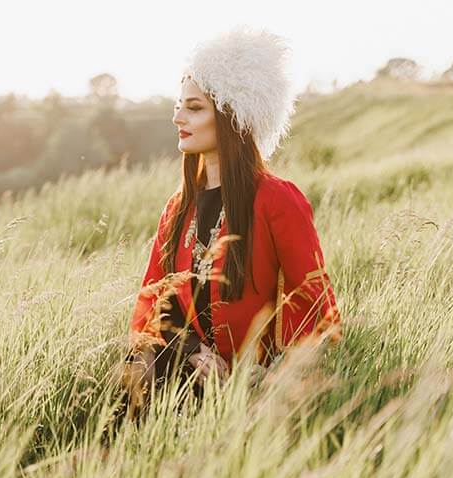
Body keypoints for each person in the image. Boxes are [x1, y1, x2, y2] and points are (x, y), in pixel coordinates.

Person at [120, 25, 342, 420]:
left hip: (254, 389)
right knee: (137, 370)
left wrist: (265, 376)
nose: (177, 117)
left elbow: (313, 302)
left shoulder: (277, 199)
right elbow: (153, 301)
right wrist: (191, 350)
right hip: (179, 373)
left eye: (194, 107)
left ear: (231, 114)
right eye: (178, 104)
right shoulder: (177, 208)